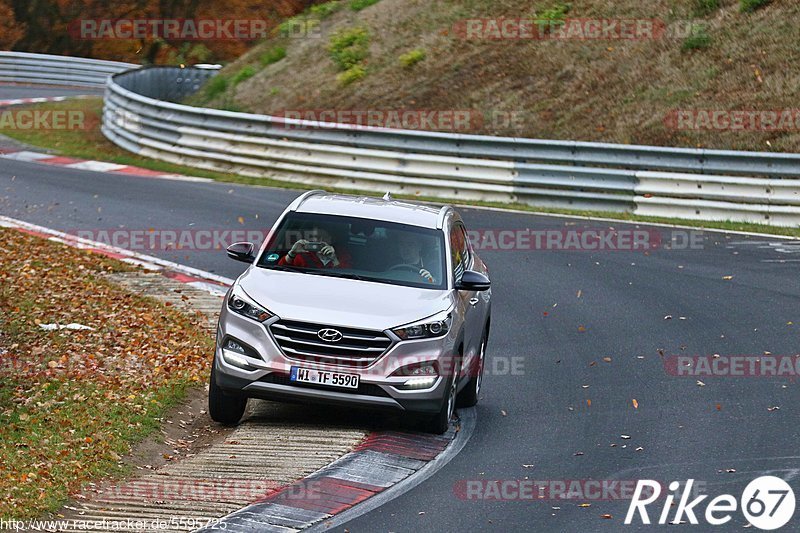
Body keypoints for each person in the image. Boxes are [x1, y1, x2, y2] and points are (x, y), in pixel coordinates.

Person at [279, 226, 352, 269]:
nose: (318, 241)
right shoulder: (303, 255)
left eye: (323, 237)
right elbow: (280, 271)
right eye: (315, 237)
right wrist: (292, 253)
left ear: (332, 239)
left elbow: (347, 278)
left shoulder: (342, 255)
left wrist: (334, 260)